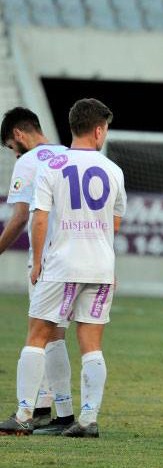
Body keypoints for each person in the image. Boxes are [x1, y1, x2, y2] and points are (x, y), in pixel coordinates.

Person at [0, 98, 126, 437]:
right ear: (98, 131)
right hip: (100, 267)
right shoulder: (114, 171)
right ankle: (87, 420)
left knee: (38, 336)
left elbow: (38, 218)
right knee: (91, 343)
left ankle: (25, 414)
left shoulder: (50, 166)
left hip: (62, 264)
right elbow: (113, 226)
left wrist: (38, 260)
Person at [0, 107, 75, 434]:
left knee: (39, 335)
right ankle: (58, 411)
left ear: (17, 135)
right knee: (55, 335)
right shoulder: (70, 156)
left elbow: (20, 217)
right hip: (75, 257)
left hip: (46, 260)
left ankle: (27, 414)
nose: (13, 152)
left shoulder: (28, 162)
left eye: (9, 146)